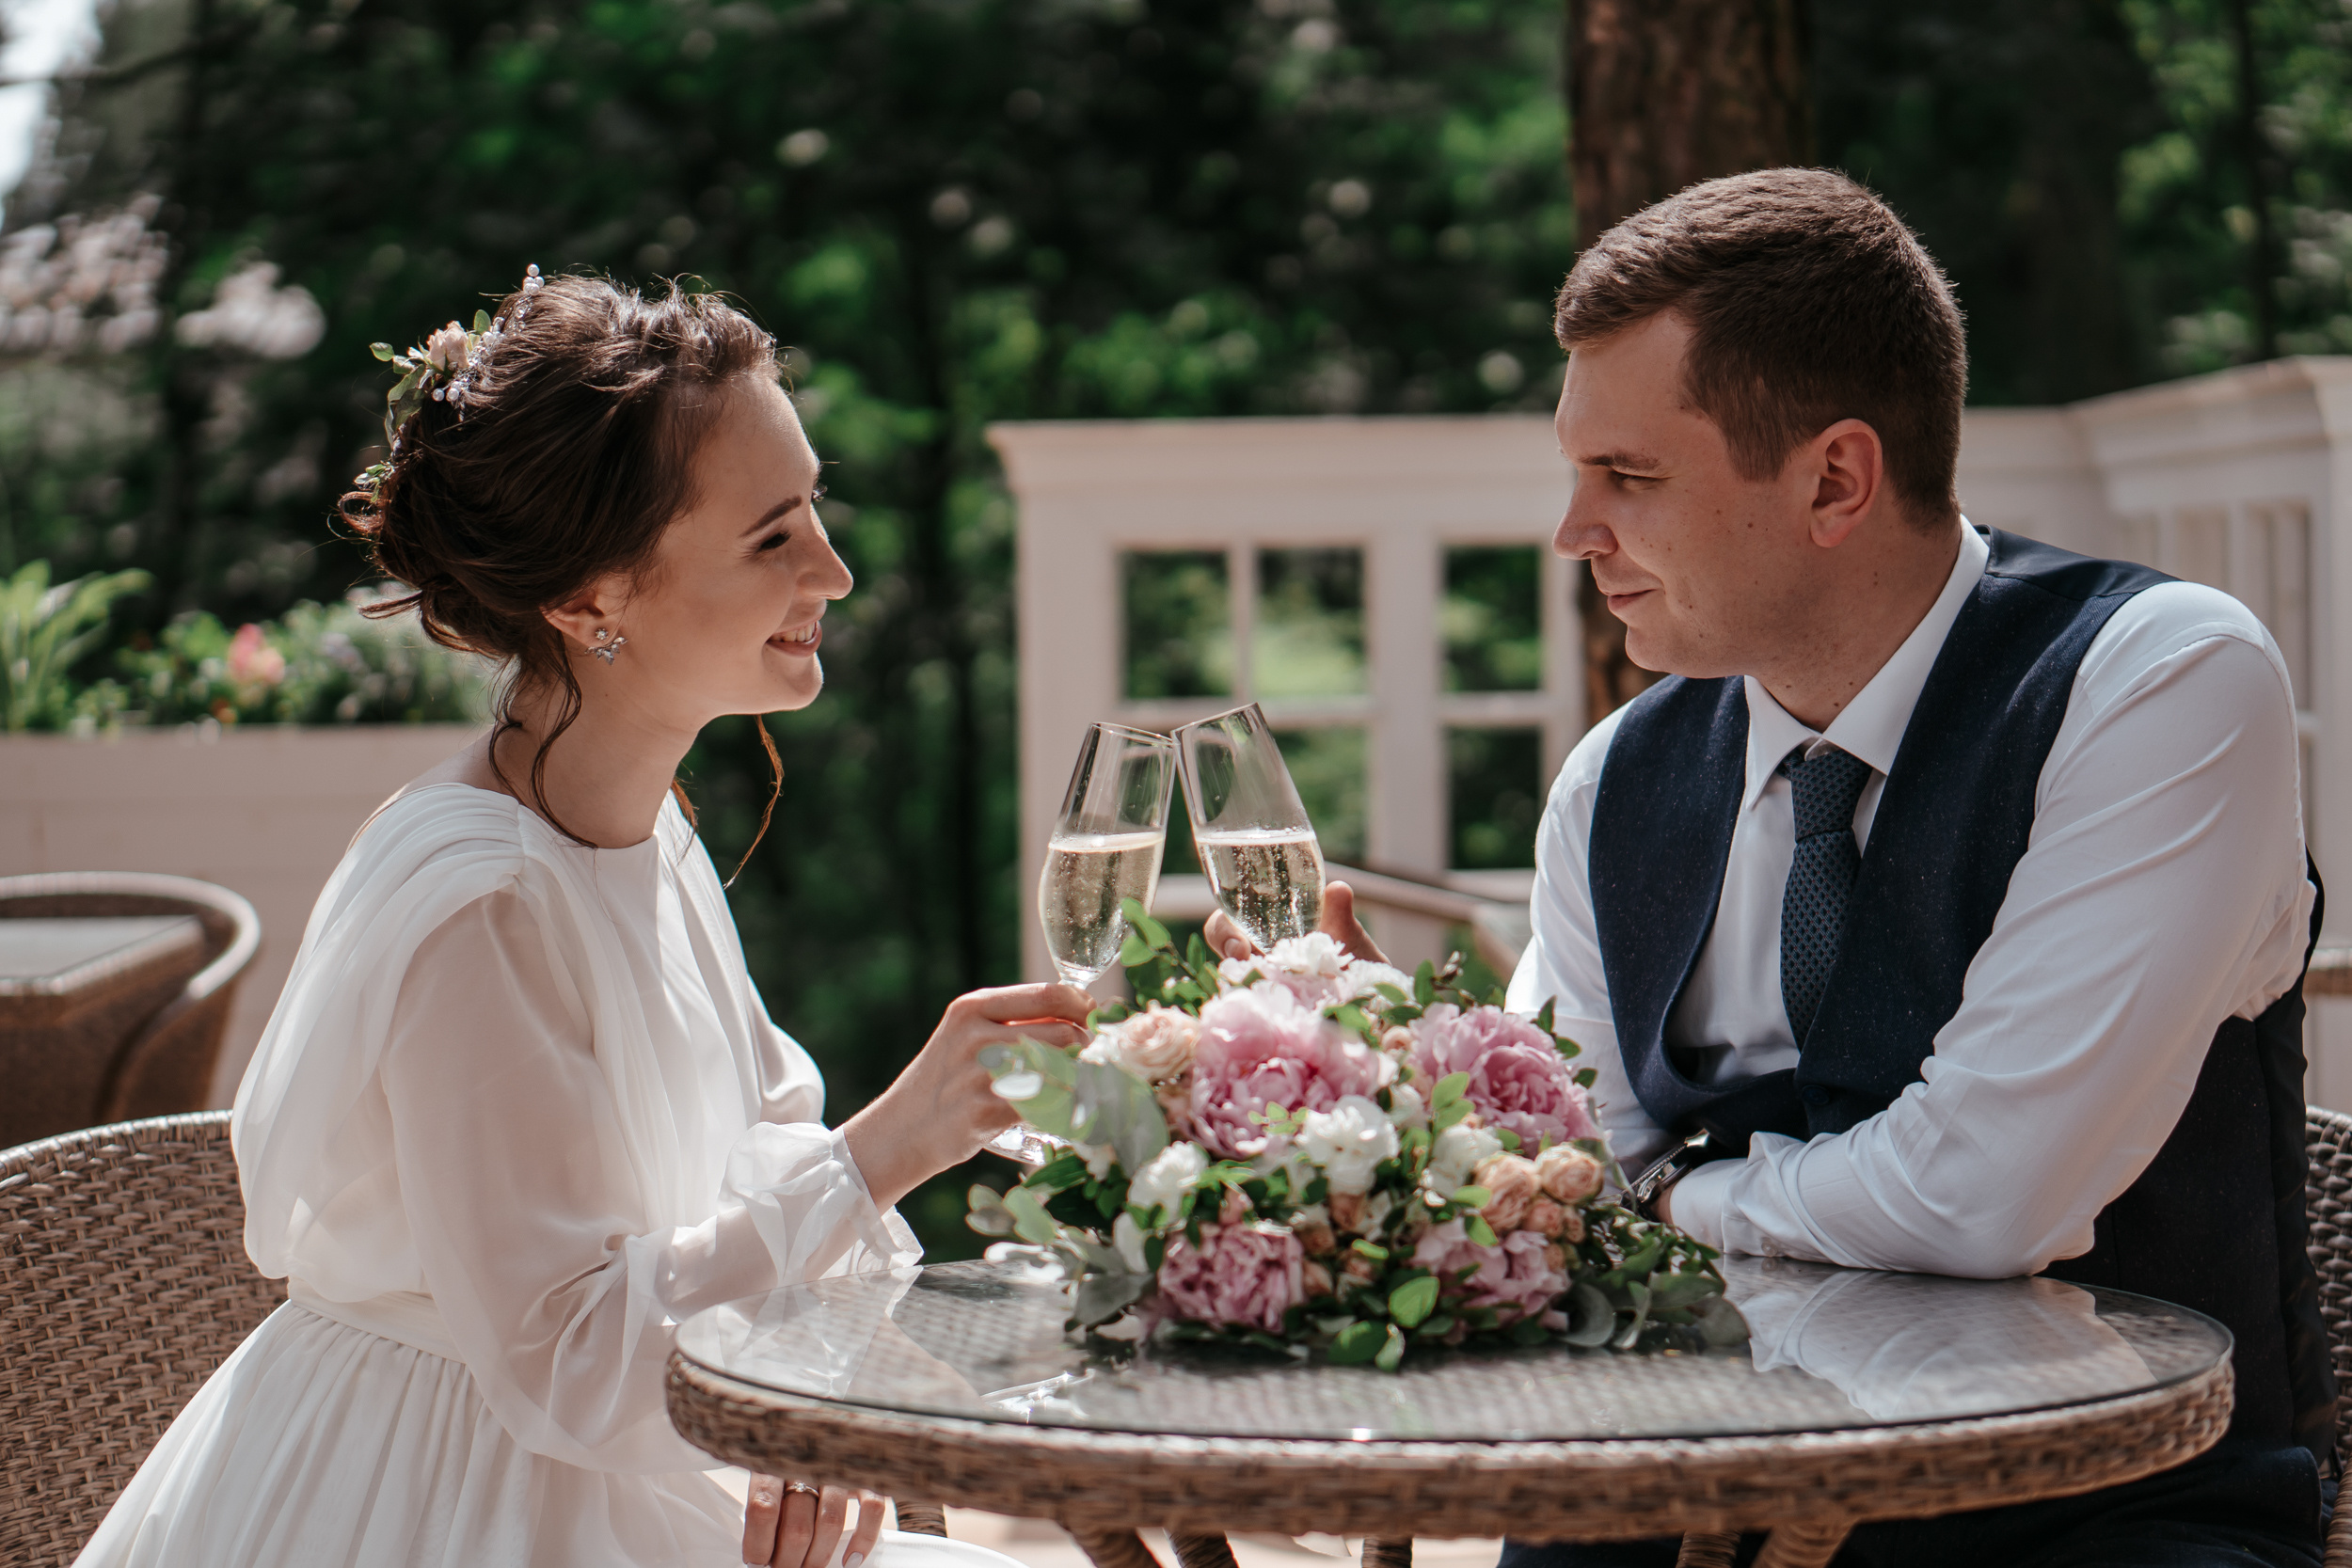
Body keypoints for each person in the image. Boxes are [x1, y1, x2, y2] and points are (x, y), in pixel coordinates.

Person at [1217, 167, 2332, 1566]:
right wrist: (1415, 1099)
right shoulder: (1613, 781)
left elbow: (1980, 1202)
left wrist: (1669, 1197)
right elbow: (1555, 1189)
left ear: (1835, 480)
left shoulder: (2158, 683)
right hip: (1649, 1510)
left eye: (1630, 478)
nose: (1574, 534)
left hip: (2083, 1517)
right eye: (1577, 475)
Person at [74, 272, 1095, 1568]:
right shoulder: (482, 905)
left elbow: (751, 1156)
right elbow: (565, 1356)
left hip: (639, 1463)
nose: (833, 572)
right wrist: (897, 1142)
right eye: (771, 539)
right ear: (591, 600)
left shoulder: (641, 827)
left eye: (815, 512)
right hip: (455, 1504)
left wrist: (808, 1388)